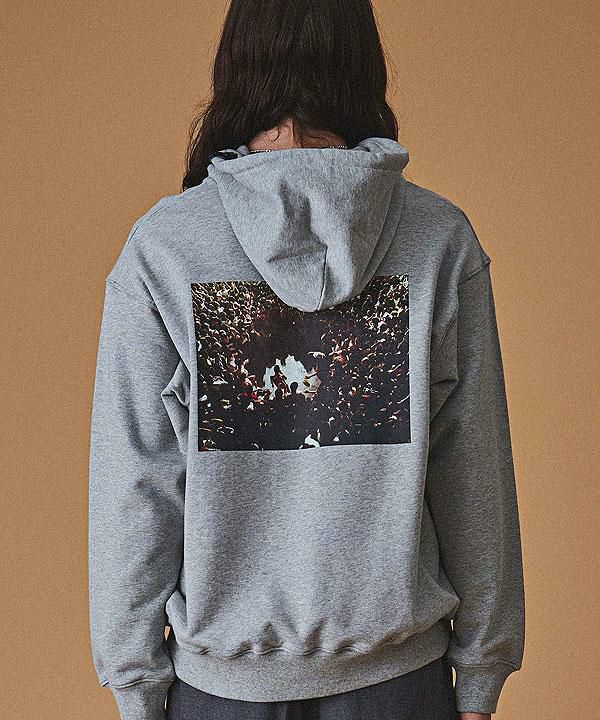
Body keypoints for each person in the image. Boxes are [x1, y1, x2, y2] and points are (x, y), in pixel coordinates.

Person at [88, 1, 525, 719]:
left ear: (236, 67)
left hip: (222, 695)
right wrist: (481, 669)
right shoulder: (438, 238)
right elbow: (473, 467)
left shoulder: (165, 248)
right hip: (399, 689)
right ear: (362, 63)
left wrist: (135, 687)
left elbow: (136, 484)